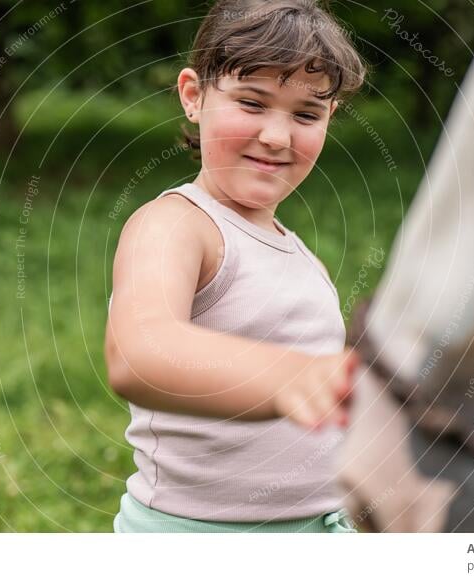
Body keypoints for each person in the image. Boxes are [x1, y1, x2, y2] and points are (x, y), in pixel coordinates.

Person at [104, 0, 365, 533]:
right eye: (252, 102)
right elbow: (138, 353)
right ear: (193, 96)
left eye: (306, 114)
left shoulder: (297, 253)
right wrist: (286, 378)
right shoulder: (177, 225)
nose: (277, 136)